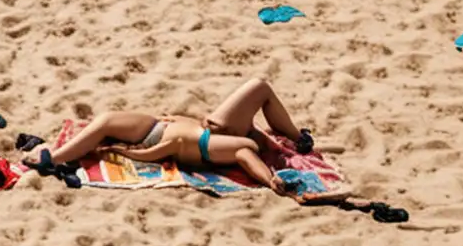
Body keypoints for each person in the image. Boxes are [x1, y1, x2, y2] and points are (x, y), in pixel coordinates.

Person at [42, 75, 305, 193]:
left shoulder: (238, 148)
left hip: (159, 133)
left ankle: (54, 158)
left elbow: (169, 147)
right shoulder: (241, 140)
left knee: (105, 122)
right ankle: (298, 137)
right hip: (168, 126)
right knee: (260, 86)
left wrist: (270, 180)